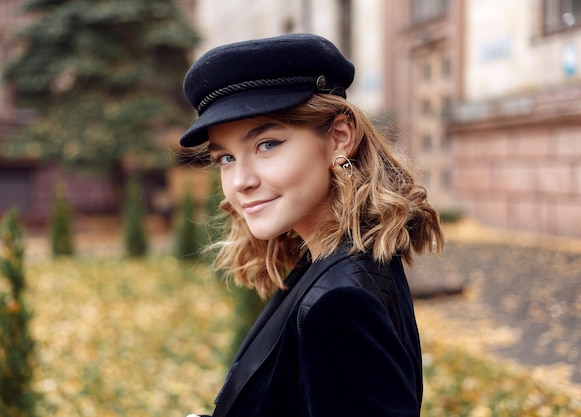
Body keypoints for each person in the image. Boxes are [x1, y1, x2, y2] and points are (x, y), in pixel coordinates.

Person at [181, 33, 444, 417]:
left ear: (340, 136)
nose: (241, 181)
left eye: (267, 144)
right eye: (225, 158)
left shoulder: (339, 302)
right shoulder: (328, 262)